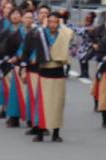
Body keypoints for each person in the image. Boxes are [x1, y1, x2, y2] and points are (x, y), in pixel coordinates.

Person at [23, 9, 71, 142]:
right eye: (50, 22)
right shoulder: (40, 33)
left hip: (58, 71)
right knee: (42, 104)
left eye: (56, 22)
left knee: (57, 104)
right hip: (44, 71)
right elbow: (32, 49)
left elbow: (71, 34)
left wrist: (62, 23)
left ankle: (56, 133)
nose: (53, 24)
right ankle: (39, 132)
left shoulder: (63, 34)